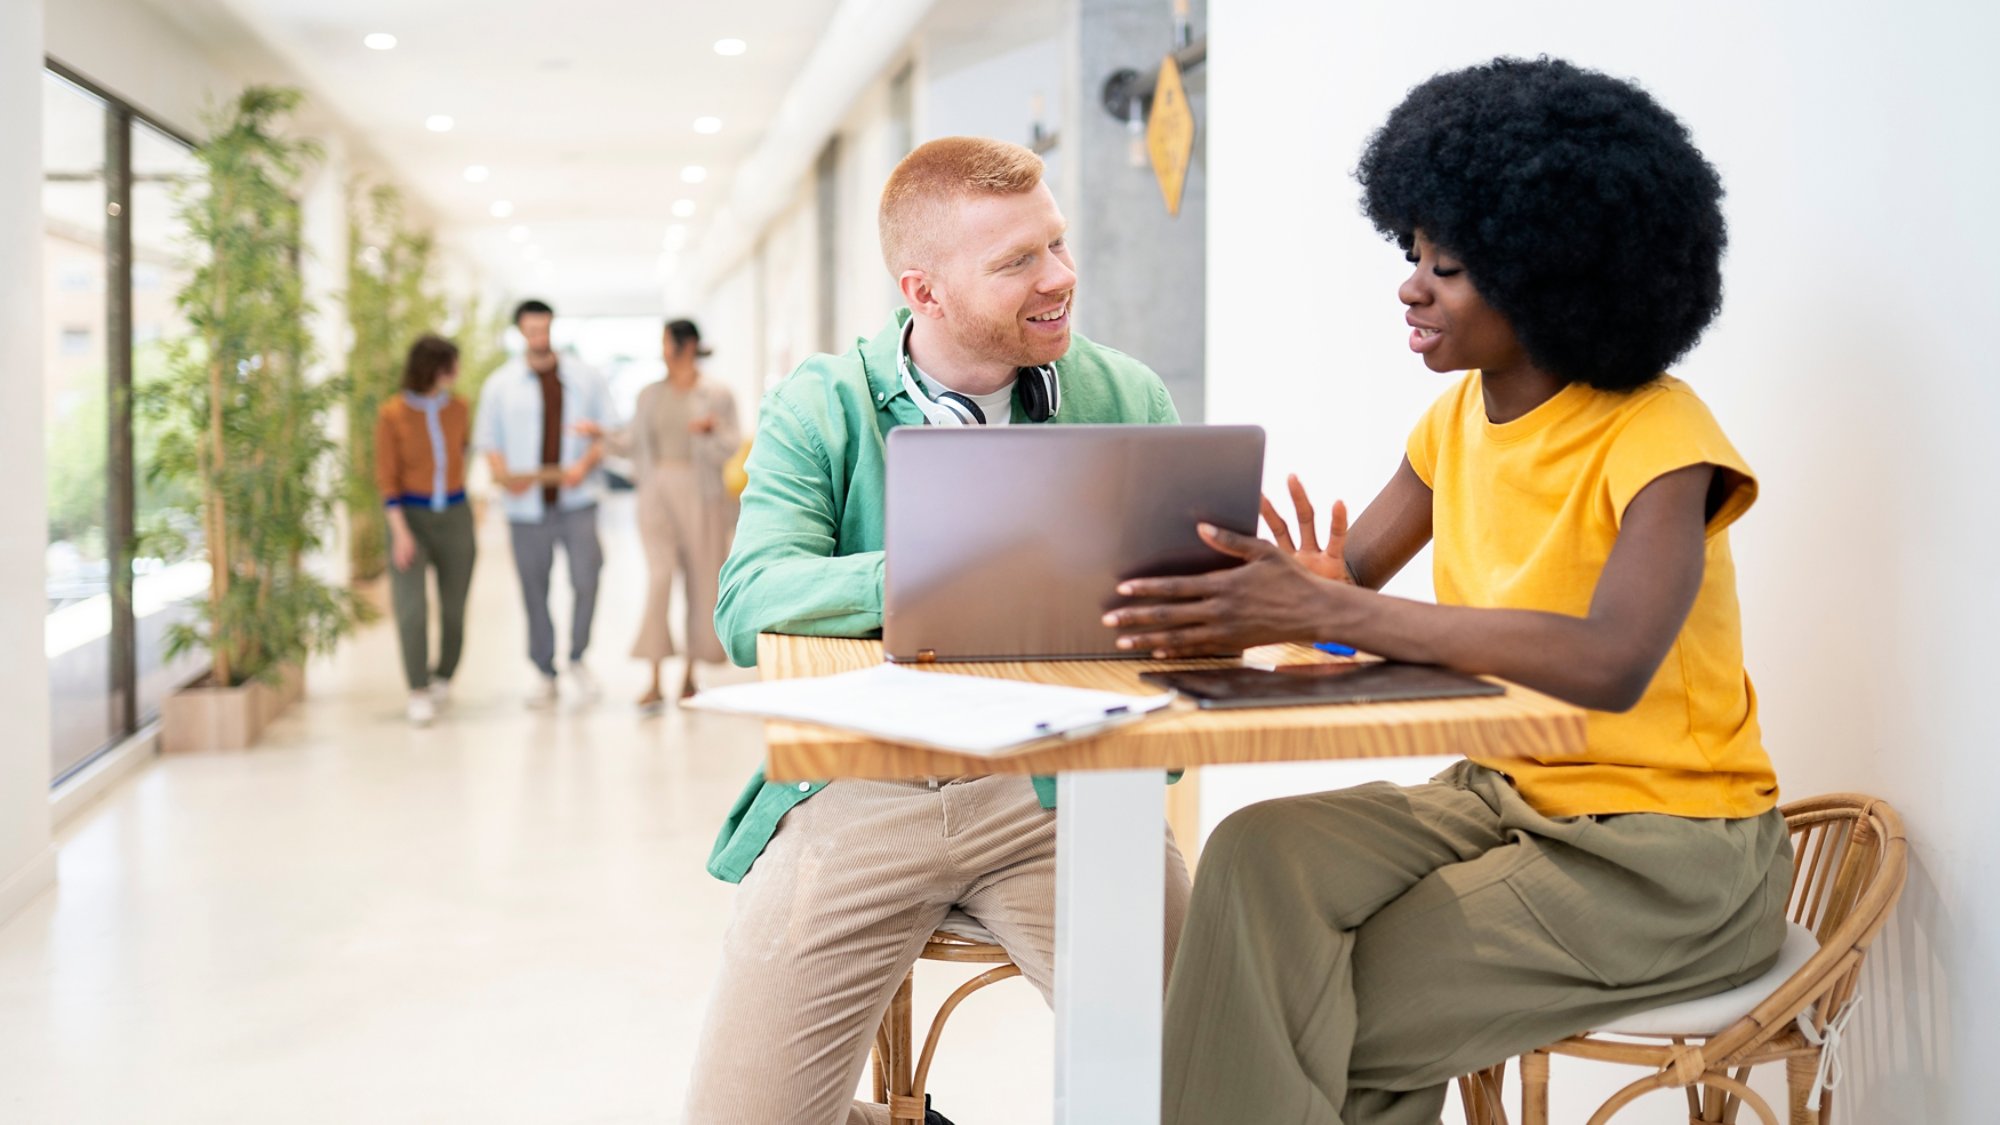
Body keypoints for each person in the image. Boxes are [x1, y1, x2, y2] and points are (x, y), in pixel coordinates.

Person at [1098, 58, 1789, 1125]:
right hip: (1501, 793)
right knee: (1250, 853)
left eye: (1450, 266)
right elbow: (1354, 582)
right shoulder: (1450, 423)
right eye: (1410, 255)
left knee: (1320, 1013)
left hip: (1665, 851)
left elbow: (1612, 660)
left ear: (1552, 274)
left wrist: (1334, 610)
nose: (1409, 286)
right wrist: (1309, 585)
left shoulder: (1660, 434)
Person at [686, 137, 1191, 1125]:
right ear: (922, 289)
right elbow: (750, 601)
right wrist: (960, 560)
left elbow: (1168, 606)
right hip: (865, 788)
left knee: (1188, 1091)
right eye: (1016, 263)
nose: (1058, 279)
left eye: (1054, 243)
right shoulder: (821, 404)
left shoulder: (1125, 398)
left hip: (1066, 790)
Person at [473, 299, 616, 709]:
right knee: (534, 589)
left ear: (552, 327)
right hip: (525, 508)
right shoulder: (499, 385)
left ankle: (578, 657)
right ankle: (544, 670)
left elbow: (606, 432)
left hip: (578, 500)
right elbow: (489, 441)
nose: (539, 335)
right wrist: (506, 478)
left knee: (587, 579)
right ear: (521, 331)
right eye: (531, 329)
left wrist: (582, 466)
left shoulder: (585, 377)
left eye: (545, 328)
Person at [628, 318, 740, 707]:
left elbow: (731, 445)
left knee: (702, 579)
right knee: (660, 577)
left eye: (666, 342)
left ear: (686, 345)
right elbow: (633, 441)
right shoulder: (649, 395)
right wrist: (600, 438)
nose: (663, 350)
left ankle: (691, 674)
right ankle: (654, 675)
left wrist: (710, 433)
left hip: (701, 491)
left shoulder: (716, 394)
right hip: (657, 489)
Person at [375, 334, 476, 727]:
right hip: (409, 520)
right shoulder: (392, 414)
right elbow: (387, 479)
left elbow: (463, 452)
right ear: (433, 367)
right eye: (452, 364)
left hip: (455, 516)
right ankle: (417, 689)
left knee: (454, 609)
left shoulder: (460, 408)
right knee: (411, 610)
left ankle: (443, 676)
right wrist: (400, 532)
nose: (458, 372)